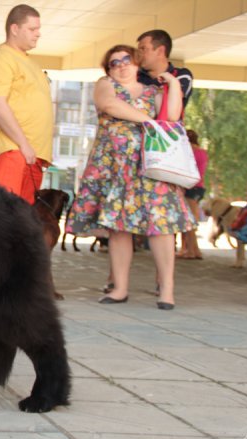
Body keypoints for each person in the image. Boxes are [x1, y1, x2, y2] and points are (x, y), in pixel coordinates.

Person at [65, 44, 193, 310]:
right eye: (115, 62)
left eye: (127, 59)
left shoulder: (153, 91)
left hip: (150, 167)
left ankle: (167, 289)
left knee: (161, 226)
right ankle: (120, 287)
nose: (122, 65)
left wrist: (173, 84)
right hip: (116, 167)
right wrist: (150, 121)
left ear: (136, 63)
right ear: (108, 68)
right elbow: (110, 105)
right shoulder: (105, 84)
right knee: (118, 227)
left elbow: (171, 116)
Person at [0, 4, 52, 206]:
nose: (38, 34)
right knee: (2, 218)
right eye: (32, 29)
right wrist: (23, 144)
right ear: (14, 29)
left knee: (22, 222)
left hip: (31, 154)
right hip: (12, 150)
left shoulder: (30, 62)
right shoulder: (2, 57)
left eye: (38, 29)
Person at [137, 29, 193, 113]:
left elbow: (173, 101)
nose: (138, 54)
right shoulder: (134, 76)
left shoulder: (181, 75)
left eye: (143, 49)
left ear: (160, 51)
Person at [177, 129, 208, 260]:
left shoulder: (190, 152)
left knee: (189, 221)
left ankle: (192, 251)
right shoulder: (203, 152)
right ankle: (194, 250)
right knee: (192, 220)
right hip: (199, 187)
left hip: (190, 187)